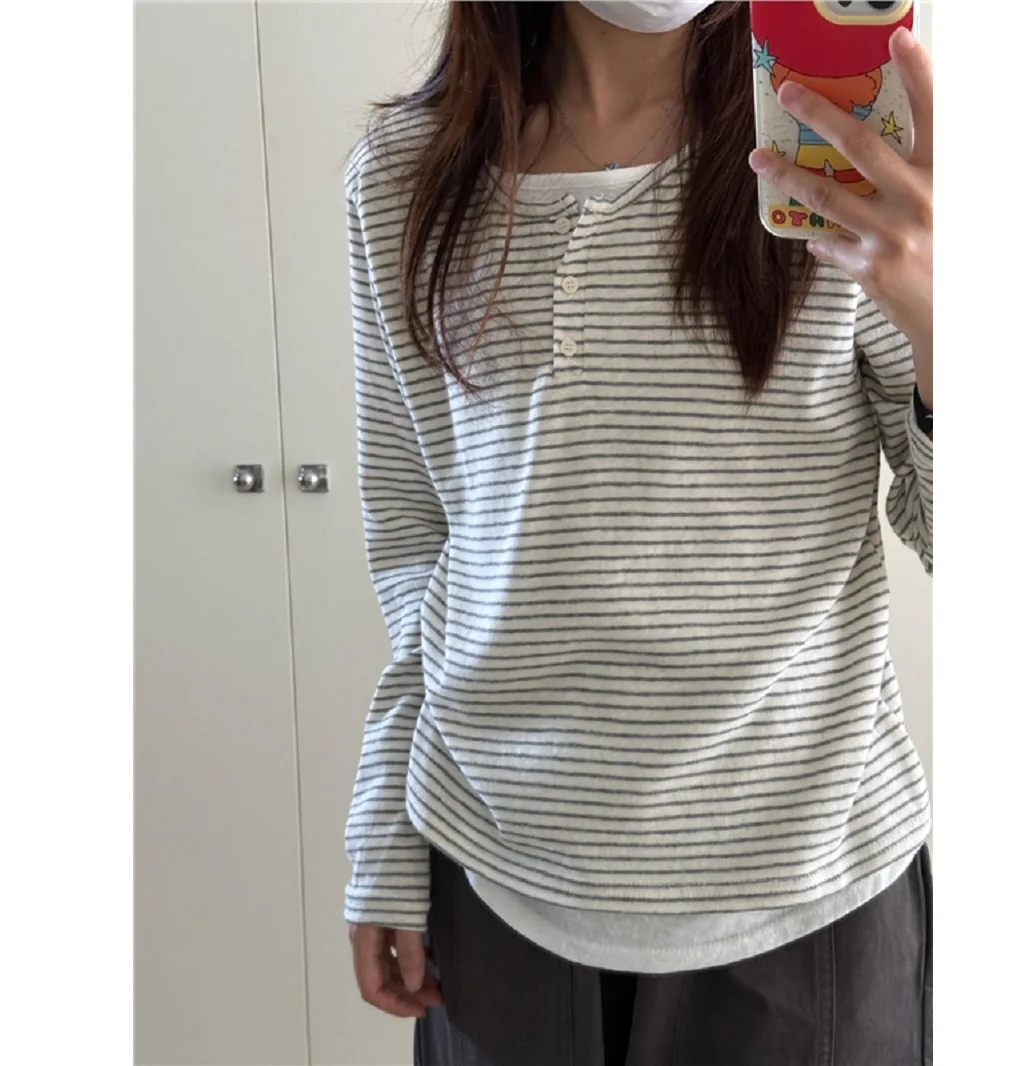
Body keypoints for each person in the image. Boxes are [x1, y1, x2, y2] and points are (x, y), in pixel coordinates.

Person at [343, 2, 933, 1063]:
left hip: (805, 889)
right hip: (494, 874)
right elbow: (419, 535)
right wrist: (387, 819)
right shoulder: (403, 176)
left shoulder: (844, 159)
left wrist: (945, 317)